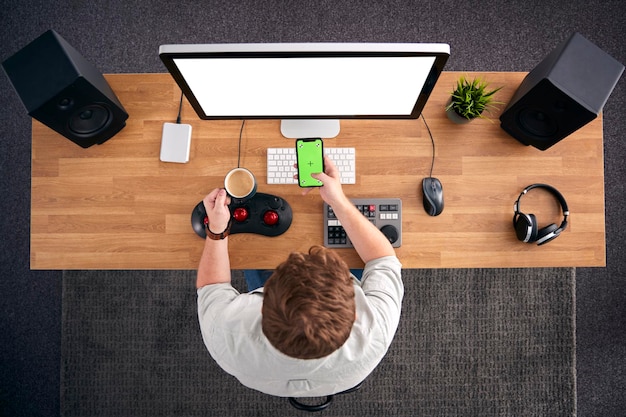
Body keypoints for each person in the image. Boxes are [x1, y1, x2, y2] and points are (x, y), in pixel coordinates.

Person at [196, 156, 403, 397]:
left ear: (263, 303)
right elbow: (383, 259)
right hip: (341, 377)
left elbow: (212, 287)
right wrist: (338, 201)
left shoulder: (225, 335)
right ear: (356, 313)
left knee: (254, 261)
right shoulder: (375, 330)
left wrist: (217, 230)